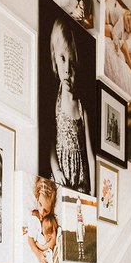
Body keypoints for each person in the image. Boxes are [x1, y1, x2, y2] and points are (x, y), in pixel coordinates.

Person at [49, 17, 95, 195]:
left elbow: (90, 157)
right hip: (61, 180)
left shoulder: (82, 108)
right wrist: (56, 170)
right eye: (62, 59)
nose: (67, 69)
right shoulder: (55, 100)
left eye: (72, 63)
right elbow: (50, 142)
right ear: (55, 57)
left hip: (80, 183)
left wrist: (93, 195)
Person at [27, 176, 61, 263]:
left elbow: (53, 241)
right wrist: (38, 254)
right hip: (39, 252)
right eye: (40, 204)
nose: (42, 211)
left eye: (46, 210)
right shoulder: (35, 216)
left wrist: (44, 247)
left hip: (46, 250)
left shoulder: (51, 220)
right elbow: (30, 239)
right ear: (37, 197)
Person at [75, 195, 85, 260]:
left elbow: (83, 223)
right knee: (79, 244)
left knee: (82, 244)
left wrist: (84, 230)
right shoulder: (76, 215)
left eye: (80, 207)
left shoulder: (81, 215)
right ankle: (79, 255)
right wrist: (77, 232)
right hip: (78, 229)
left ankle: (83, 255)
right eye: (78, 207)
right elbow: (76, 224)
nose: (79, 208)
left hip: (81, 228)